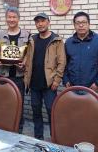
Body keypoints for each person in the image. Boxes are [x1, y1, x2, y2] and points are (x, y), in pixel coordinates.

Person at [24, 12, 66, 140]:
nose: (40, 24)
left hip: (49, 84)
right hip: (34, 83)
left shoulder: (56, 40)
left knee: (51, 111)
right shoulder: (32, 40)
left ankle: (55, 137)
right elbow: (28, 58)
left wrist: (56, 81)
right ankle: (38, 137)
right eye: (37, 22)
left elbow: (62, 62)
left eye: (42, 21)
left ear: (48, 22)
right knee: (36, 111)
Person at [0, 7, 30, 133]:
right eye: (9, 17)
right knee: (5, 104)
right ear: (6, 18)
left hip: (19, 76)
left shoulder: (26, 34)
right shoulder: (0, 34)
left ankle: (18, 130)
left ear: (18, 19)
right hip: (3, 75)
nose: (11, 19)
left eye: (14, 17)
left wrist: (24, 63)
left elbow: (28, 53)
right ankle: (5, 129)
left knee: (18, 104)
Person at [63, 11, 98, 93]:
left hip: (92, 89)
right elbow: (64, 64)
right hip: (72, 88)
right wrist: (66, 80)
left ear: (89, 24)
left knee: (92, 107)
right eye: (78, 23)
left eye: (84, 22)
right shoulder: (69, 42)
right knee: (72, 106)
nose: (81, 25)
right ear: (74, 25)